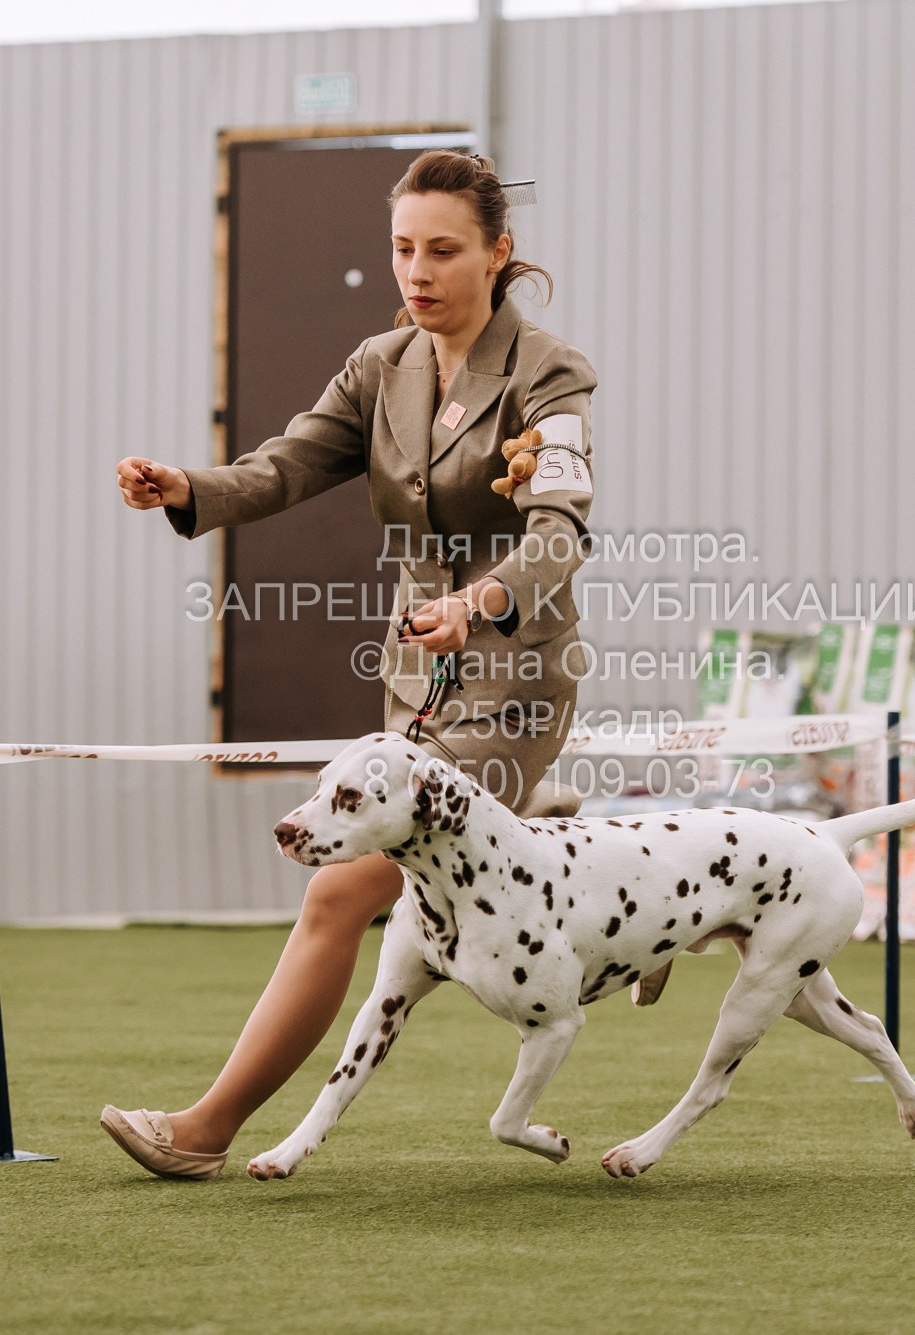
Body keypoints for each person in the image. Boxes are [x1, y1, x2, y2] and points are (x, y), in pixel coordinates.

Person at [100, 149, 599, 1181]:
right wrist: (185, 485)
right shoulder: (381, 364)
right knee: (401, 901)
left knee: (337, 895)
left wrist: (477, 603)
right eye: (401, 249)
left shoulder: (550, 374)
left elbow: (558, 535)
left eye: (442, 250)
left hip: (511, 688)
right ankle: (563, 845)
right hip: (416, 684)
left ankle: (203, 1131)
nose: (416, 271)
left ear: (498, 253)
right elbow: (285, 464)